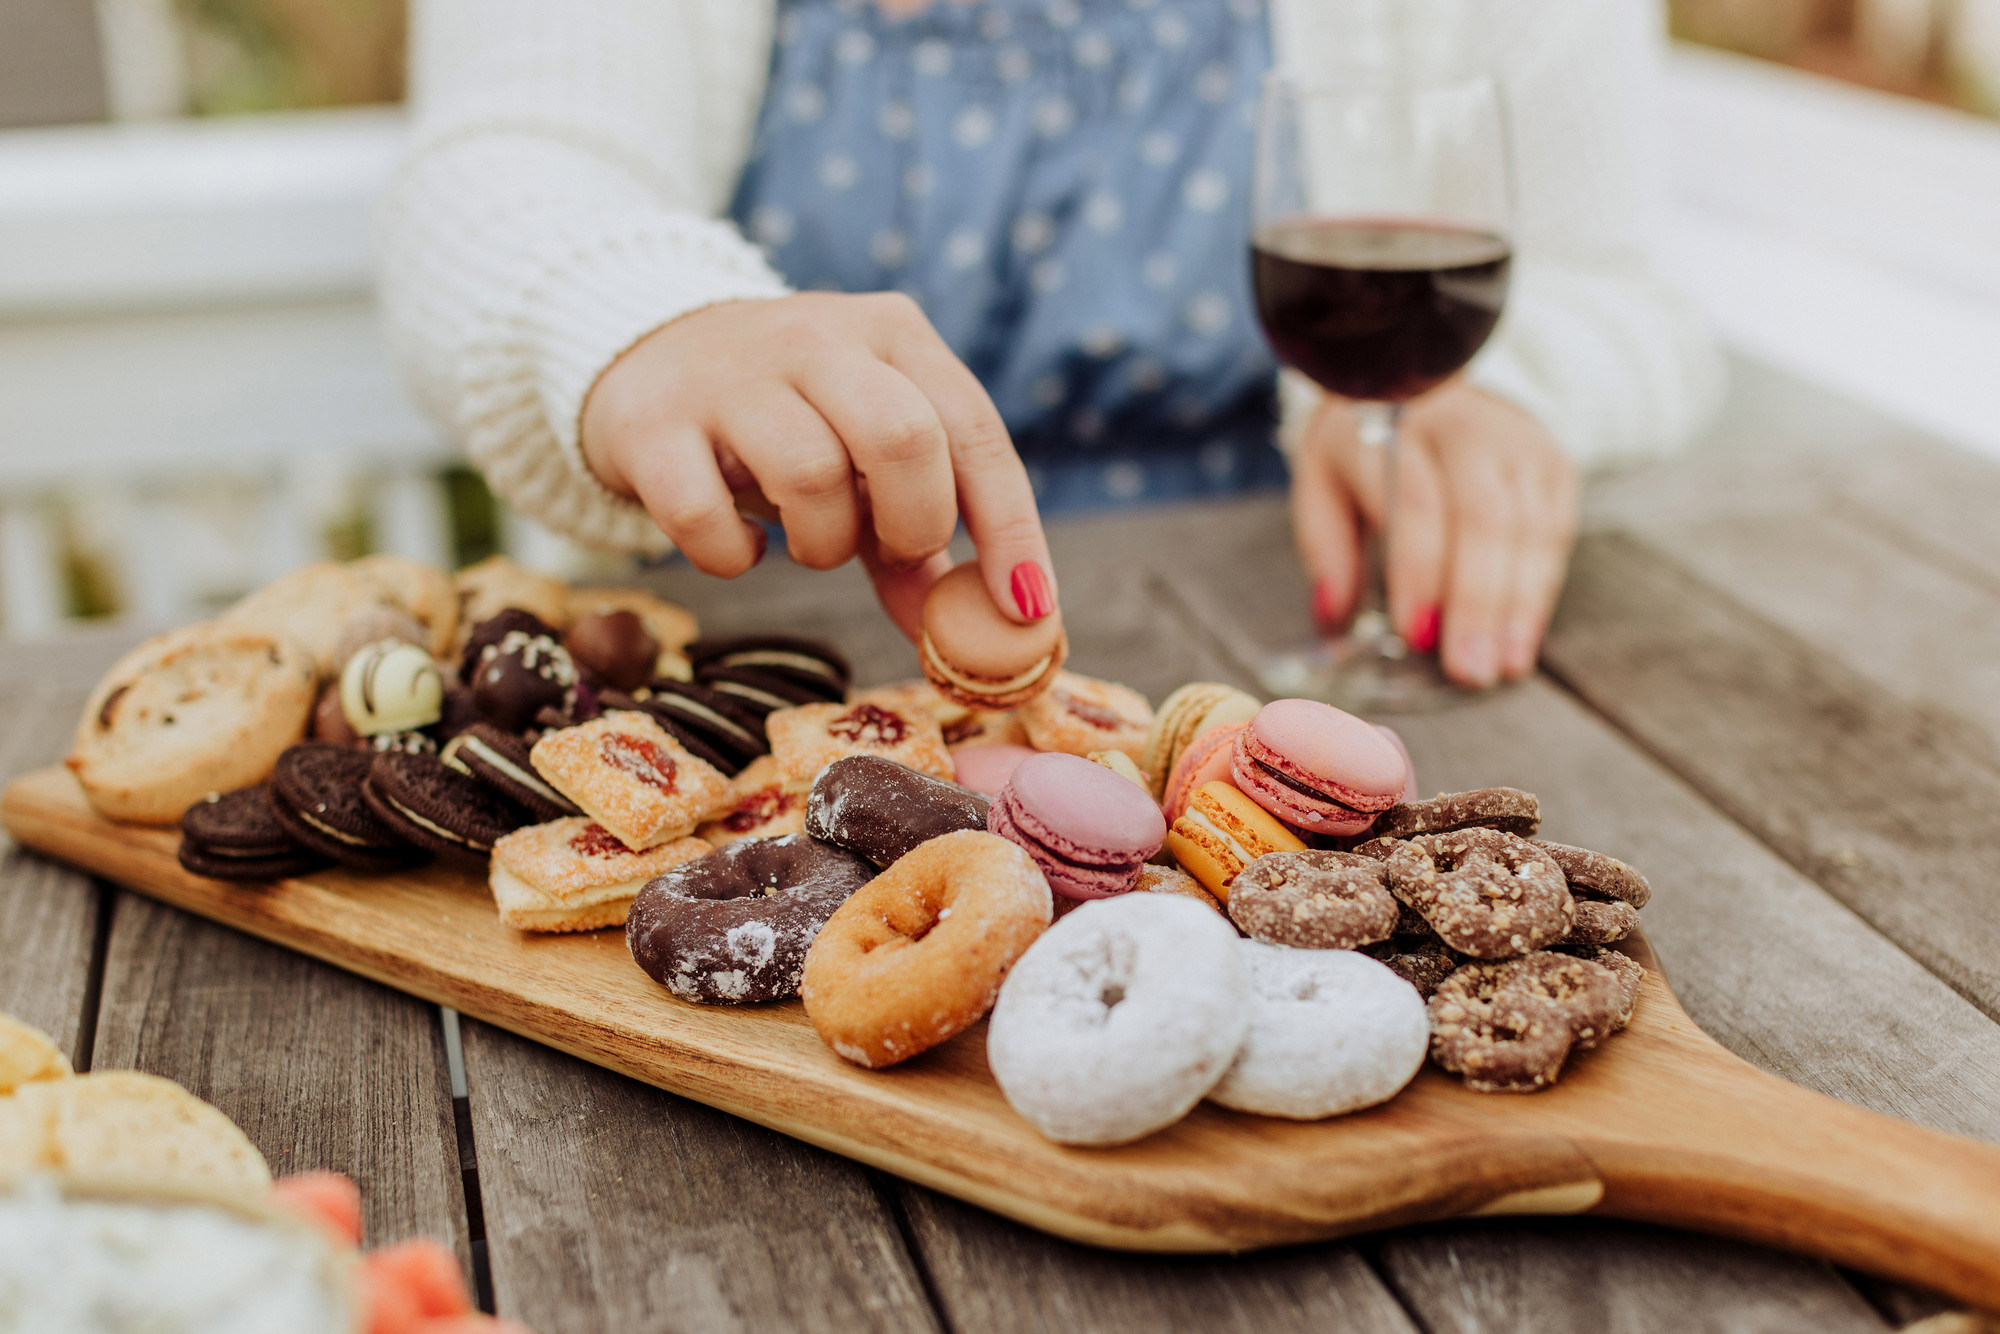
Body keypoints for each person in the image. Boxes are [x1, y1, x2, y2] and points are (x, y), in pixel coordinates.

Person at [377, 0, 1721, 688]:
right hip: (752, 664)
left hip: (1282, 651)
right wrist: (651, 324)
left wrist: (1503, 398)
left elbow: (1626, 291)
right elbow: (499, 173)